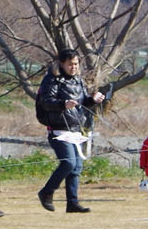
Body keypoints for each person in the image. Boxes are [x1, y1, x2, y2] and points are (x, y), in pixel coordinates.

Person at [35, 49, 106, 213]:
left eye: (76, 64)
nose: (73, 67)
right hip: (58, 130)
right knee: (68, 163)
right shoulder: (51, 80)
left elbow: (81, 103)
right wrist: (62, 104)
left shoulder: (78, 81)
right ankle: (47, 191)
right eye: (70, 64)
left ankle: (72, 203)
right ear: (62, 64)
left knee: (76, 167)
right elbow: (46, 102)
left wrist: (92, 100)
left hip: (75, 129)